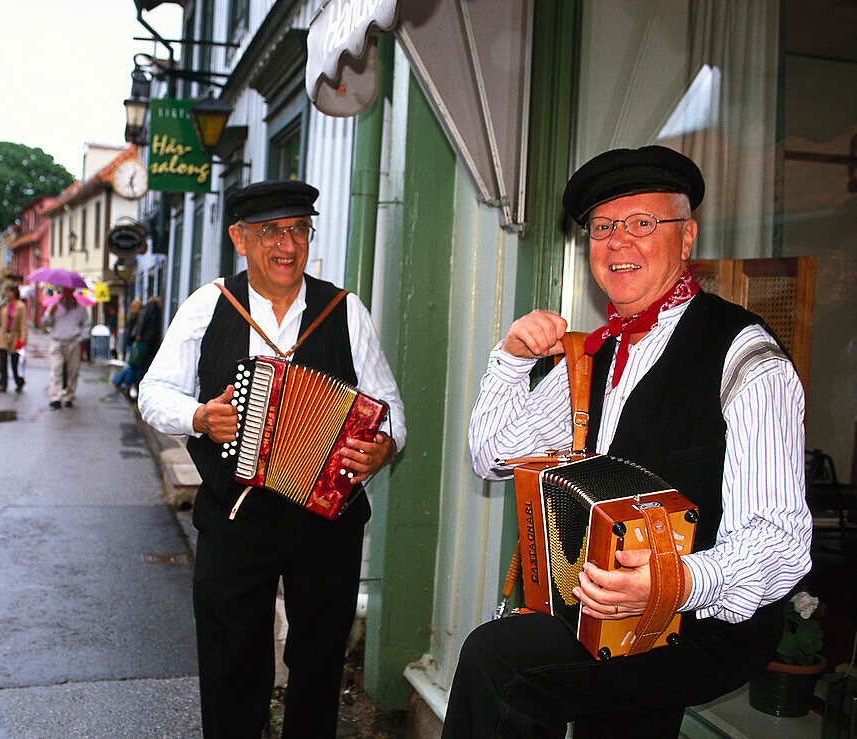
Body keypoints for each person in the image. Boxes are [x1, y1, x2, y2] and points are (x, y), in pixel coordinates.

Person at [443, 146, 813, 737]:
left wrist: (674, 582)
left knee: (501, 659)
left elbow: (782, 541)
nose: (619, 244)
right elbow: (493, 458)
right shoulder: (590, 354)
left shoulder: (745, 356)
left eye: (642, 224)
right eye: (602, 229)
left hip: (706, 623)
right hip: (600, 609)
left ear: (686, 237)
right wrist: (511, 361)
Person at [138, 180, 406, 738]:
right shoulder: (210, 305)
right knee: (231, 660)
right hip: (236, 517)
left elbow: (390, 409)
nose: (287, 246)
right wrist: (198, 417)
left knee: (318, 663)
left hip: (325, 520)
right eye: (270, 233)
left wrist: (384, 447)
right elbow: (152, 392)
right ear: (239, 238)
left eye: (298, 231)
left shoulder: (343, 310)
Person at [43, 286, 90, 409]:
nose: (66, 292)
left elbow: (86, 325)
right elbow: (45, 323)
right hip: (56, 341)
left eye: (69, 290)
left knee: (72, 371)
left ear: (73, 291)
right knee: (56, 369)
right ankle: (55, 397)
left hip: (72, 342)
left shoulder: (80, 308)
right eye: (64, 289)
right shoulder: (54, 306)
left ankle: (69, 396)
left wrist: (80, 339)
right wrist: (51, 315)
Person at [0, 284, 27, 392]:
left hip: (15, 336)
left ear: (14, 292)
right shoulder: (4, 304)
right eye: (7, 291)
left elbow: (23, 324)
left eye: (9, 291)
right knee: (2, 360)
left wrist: (22, 339)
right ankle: (3, 383)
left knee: (14, 362)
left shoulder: (20, 306)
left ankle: (19, 381)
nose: (7, 294)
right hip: (3, 335)